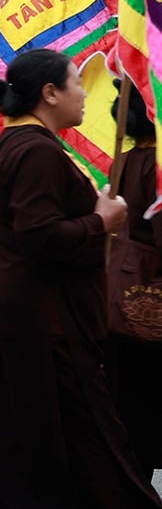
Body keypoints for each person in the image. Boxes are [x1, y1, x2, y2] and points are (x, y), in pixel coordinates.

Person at [0, 50, 162, 509]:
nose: (88, 95)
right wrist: (100, 222)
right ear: (49, 94)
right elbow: (39, 235)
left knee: (16, 441)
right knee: (100, 446)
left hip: (22, 322)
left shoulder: (20, 146)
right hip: (46, 327)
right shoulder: (34, 152)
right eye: (77, 84)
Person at [106, 83, 162, 479]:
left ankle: (130, 483)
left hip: (117, 294)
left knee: (128, 399)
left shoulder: (118, 162)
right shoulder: (155, 168)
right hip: (152, 290)